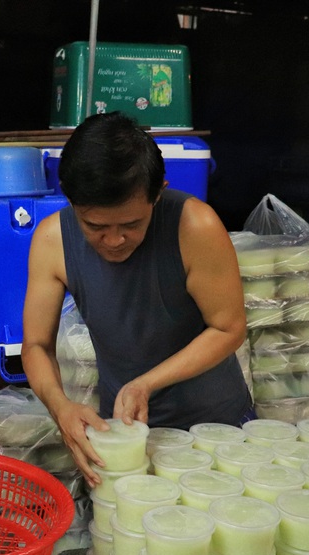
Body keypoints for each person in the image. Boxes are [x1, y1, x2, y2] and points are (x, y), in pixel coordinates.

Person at [21, 112, 252, 487]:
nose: (113, 240)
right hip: (125, 437)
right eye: (95, 226)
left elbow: (229, 328)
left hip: (216, 431)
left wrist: (146, 383)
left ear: (157, 192)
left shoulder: (196, 226)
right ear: (70, 198)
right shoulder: (52, 241)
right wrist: (60, 407)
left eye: (131, 225)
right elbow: (35, 344)